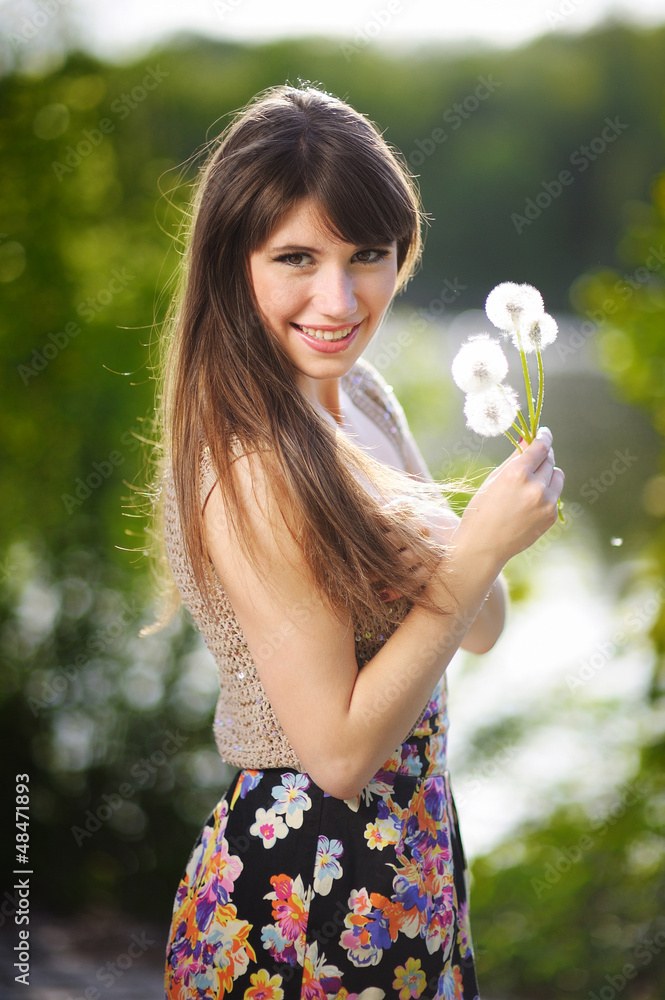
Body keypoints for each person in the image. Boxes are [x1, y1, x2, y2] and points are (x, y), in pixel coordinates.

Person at [145, 82, 564, 1000]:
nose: (337, 299)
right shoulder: (251, 465)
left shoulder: (361, 397)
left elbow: (477, 625)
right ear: (231, 262)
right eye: (295, 257)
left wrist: (484, 542)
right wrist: (479, 551)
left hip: (411, 868)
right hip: (305, 886)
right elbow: (335, 758)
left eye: (366, 255)